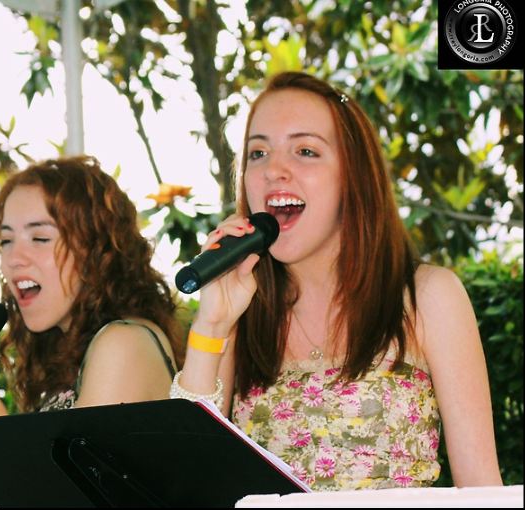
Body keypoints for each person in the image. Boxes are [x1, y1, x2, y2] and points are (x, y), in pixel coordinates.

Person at [172, 72, 502, 490]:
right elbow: (185, 478)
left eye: (305, 150)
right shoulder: (242, 311)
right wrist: (212, 325)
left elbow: (483, 490)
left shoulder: (428, 297)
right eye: (258, 153)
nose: (274, 170)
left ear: (353, 176)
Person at [0, 155, 182, 415]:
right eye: (7, 240)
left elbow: (50, 458)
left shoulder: (124, 343)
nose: (14, 259)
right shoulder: (66, 355)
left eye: (40, 238)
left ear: (96, 249)